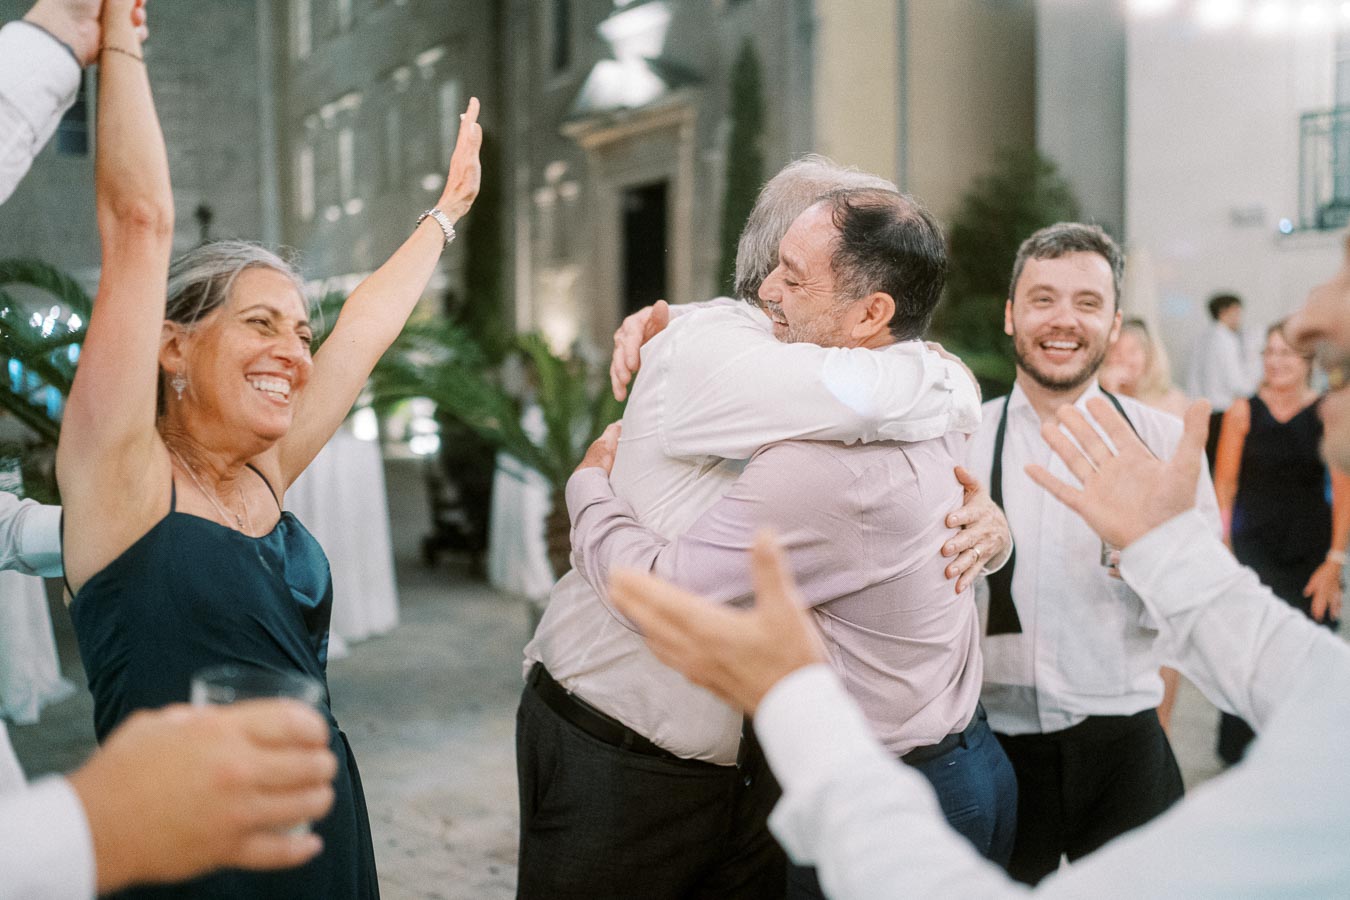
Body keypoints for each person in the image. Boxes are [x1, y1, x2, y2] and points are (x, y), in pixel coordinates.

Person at [55, 1, 480, 896]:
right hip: (193, 854)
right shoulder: (121, 483)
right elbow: (139, 223)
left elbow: (361, 329)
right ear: (173, 347)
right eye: (260, 324)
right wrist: (118, 41)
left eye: (298, 328)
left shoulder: (262, 471)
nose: (294, 352)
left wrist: (446, 214)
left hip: (322, 823)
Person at [606, 389, 1350, 897]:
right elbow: (1287, 663)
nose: (1314, 323)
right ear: (1010, 311)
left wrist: (793, 696)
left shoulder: (1152, 436)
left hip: (1102, 734)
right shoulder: (966, 423)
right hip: (1001, 735)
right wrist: (1145, 548)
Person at [518, 157, 1002, 900]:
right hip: (619, 744)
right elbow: (668, 594)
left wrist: (991, 521)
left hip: (753, 769)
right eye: (780, 269)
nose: (775, 288)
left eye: (796, 275)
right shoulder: (727, 356)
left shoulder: (861, 400)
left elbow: (899, 472)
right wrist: (588, 488)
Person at [969, 223, 1220, 885]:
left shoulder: (1166, 445)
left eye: (1087, 303)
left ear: (1113, 325)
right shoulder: (959, 438)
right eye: (1043, 298)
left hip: (1122, 746)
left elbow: (1207, 614)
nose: (1063, 320)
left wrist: (1151, 553)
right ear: (1010, 314)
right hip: (995, 747)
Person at [1211, 319, 1347, 763]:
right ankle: (1242, 762)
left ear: (1307, 361)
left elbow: (1344, 491)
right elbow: (1225, 487)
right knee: (1246, 659)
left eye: (1286, 353)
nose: (1276, 361)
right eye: (1269, 352)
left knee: (1306, 655)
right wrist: (1223, 551)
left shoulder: (1329, 412)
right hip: (1250, 555)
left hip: (1310, 555)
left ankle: (1299, 760)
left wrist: (1335, 560)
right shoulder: (1242, 411)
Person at [1187, 292, 1254, 468]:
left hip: (1204, 411)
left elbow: (1193, 378)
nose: (1239, 318)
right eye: (1237, 312)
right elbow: (1237, 384)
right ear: (1224, 312)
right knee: (1223, 464)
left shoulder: (1201, 339)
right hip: (1225, 411)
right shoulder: (1227, 340)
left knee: (1206, 463)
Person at [1099, 317, 1189, 417]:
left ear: (1149, 356)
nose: (1124, 359)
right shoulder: (1098, 395)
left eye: (1132, 351)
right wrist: (1110, 391)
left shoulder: (1172, 400)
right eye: (1116, 351)